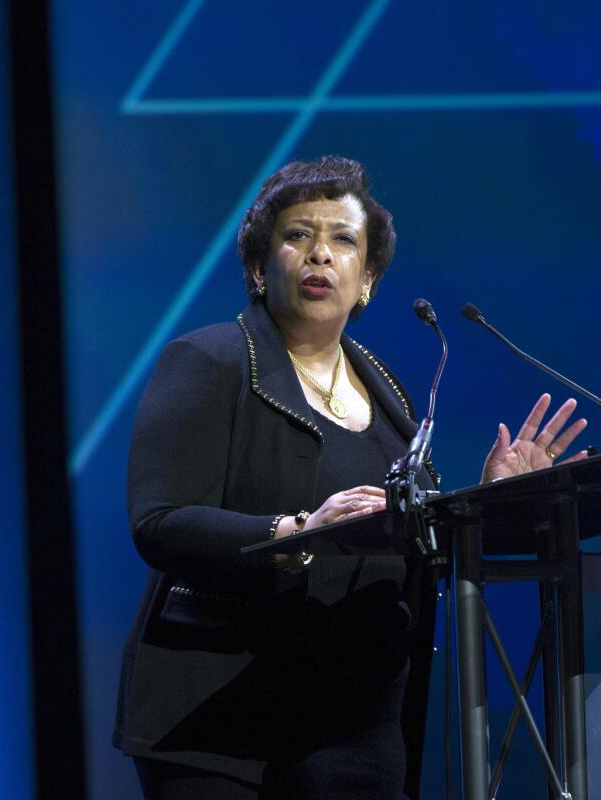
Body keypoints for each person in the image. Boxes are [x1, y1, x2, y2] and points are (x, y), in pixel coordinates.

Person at [112, 155, 588, 799]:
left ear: (367, 279)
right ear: (258, 267)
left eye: (343, 240)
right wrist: (299, 531)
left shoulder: (387, 389)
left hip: (359, 721)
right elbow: (160, 523)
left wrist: (491, 502)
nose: (320, 255)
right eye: (297, 235)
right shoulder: (208, 361)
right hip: (224, 716)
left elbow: (410, 540)